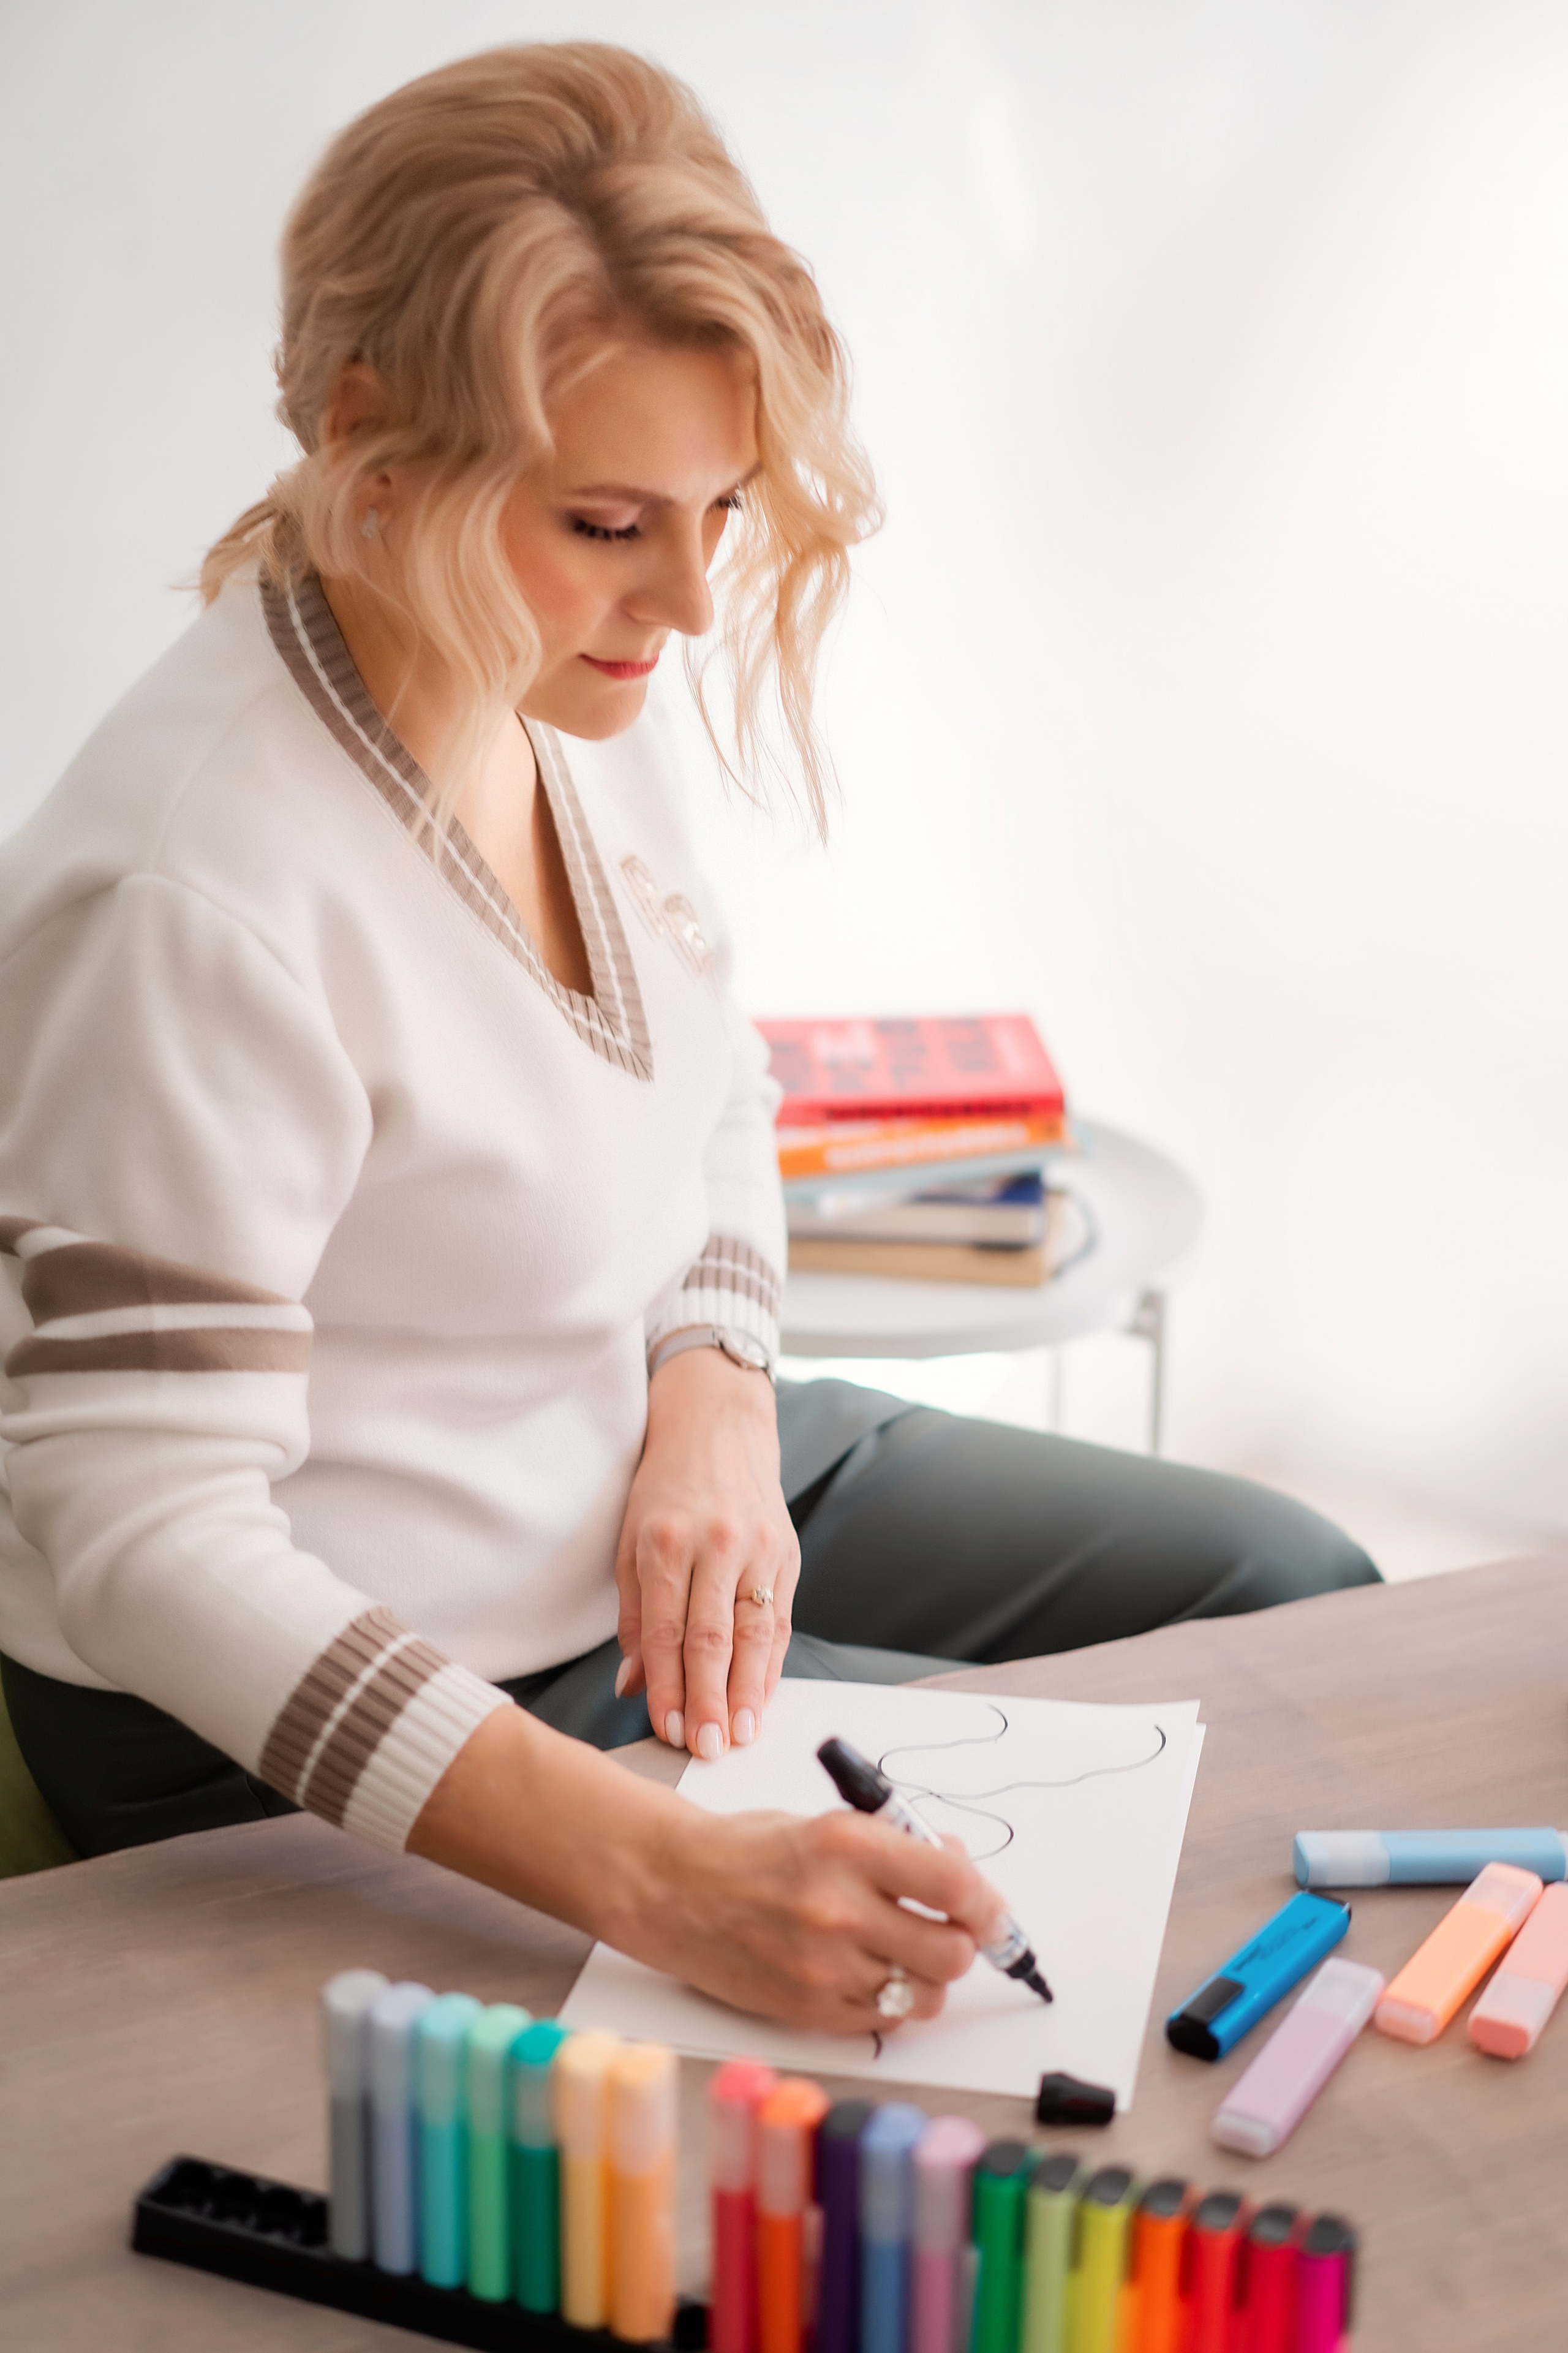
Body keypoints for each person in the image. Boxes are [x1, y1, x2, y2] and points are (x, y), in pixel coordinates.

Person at [0, 44, 1375, 2033]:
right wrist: (663, 1874)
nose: (696, 598)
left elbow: (710, 1073)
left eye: (722, 506)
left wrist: (721, 1384)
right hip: (341, 1676)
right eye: (614, 519)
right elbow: (142, 1538)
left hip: (629, 1481)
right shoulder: (194, 891)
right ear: (370, 435)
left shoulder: (542, 676)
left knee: (1299, 1598)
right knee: (1047, 1896)